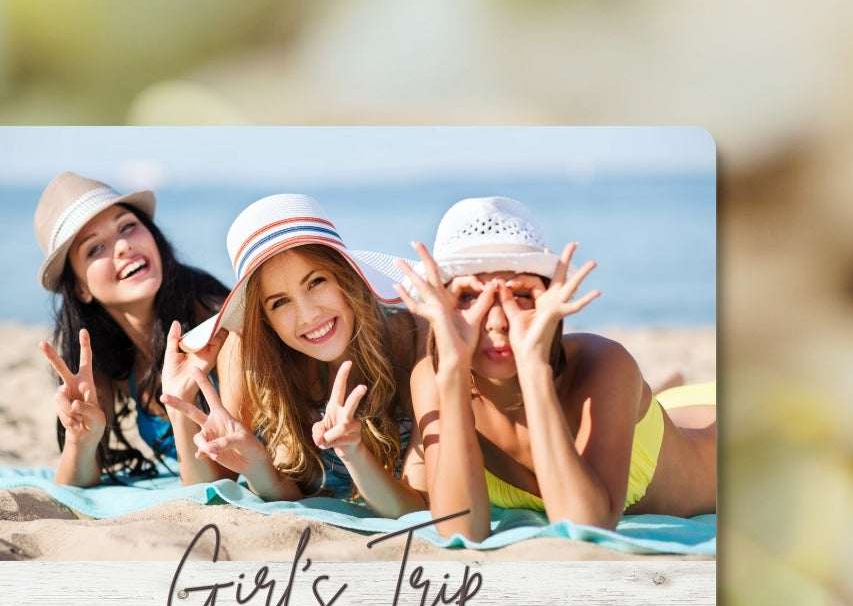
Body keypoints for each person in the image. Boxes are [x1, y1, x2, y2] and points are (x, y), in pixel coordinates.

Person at [396, 197, 716, 540]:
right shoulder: (434, 379)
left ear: (549, 300)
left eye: (519, 294)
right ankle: (664, 391)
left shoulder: (605, 363)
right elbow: (461, 530)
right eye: (468, 297)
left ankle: (664, 393)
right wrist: (454, 373)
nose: (497, 321)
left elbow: (584, 526)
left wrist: (534, 370)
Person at [165, 193, 425, 517]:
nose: (307, 315)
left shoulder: (408, 337)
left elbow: (419, 508)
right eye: (279, 302)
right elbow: (212, 491)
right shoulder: (246, 357)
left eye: (315, 282)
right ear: (265, 320)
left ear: (345, 278)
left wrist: (353, 452)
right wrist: (180, 403)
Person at [32, 171, 228, 487]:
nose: (123, 246)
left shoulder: (214, 322)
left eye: (128, 226)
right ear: (81, 288)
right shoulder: (104, 354)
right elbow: (73, 485)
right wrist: (81, 440)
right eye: (95, 248)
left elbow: (221, 481)